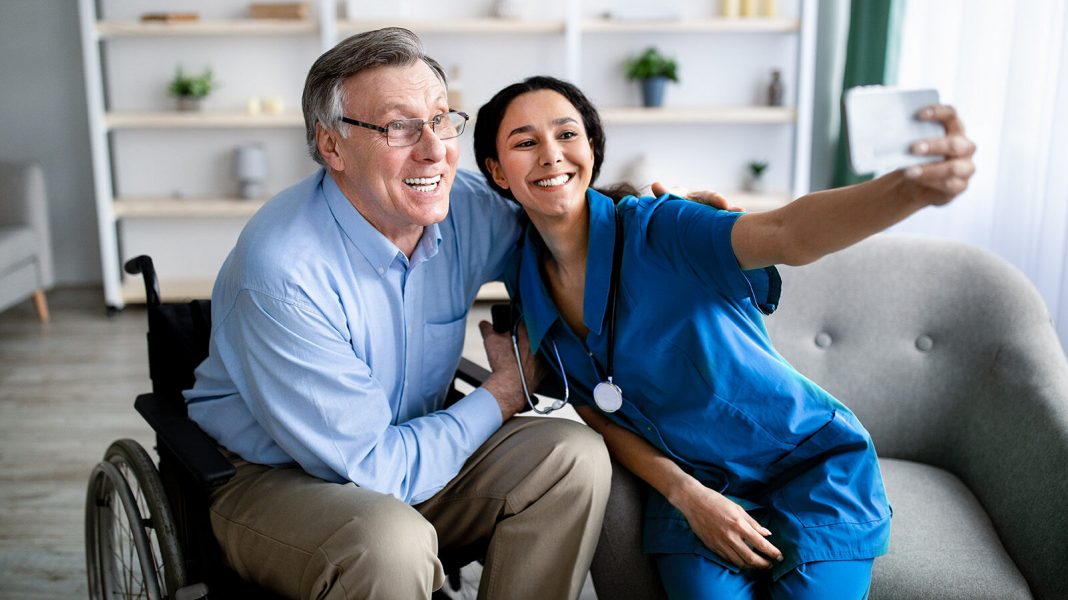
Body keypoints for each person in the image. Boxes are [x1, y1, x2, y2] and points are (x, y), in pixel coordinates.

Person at [472, 76, 976, 599]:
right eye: (525, 143)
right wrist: (688, 495)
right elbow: (596, 410)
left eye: (567, 134)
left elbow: (788, 233)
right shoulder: (524, 279)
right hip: (696, 488)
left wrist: (908, 190)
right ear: (497, 171)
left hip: (811, 466)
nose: (551, 156)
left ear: (593, 149)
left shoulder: (663, 227)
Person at [183, 29, 616, 599]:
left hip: (417, 446)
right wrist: (502, 396)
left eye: (440, 119)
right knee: (390, 542)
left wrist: (677, 222)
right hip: (276, 479)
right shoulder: (283, 273)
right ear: (332, 146)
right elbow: (373, 466)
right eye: (398, 127)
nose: (435, 149)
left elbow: (563, 228)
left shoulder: (461, 208)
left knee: (574, 456)